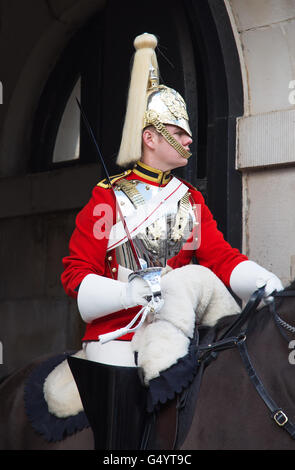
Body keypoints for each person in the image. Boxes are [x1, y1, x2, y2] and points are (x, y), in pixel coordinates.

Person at [62, 33, 283, 449]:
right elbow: (77, 276)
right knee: (120, 426)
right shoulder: (106, 197)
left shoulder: (190, 199)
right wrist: (134, 291)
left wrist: (267, 287)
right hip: (118, 334)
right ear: (151, 137)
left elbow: (220, 258)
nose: (189, 141)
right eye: (179, 133)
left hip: (179, 330)